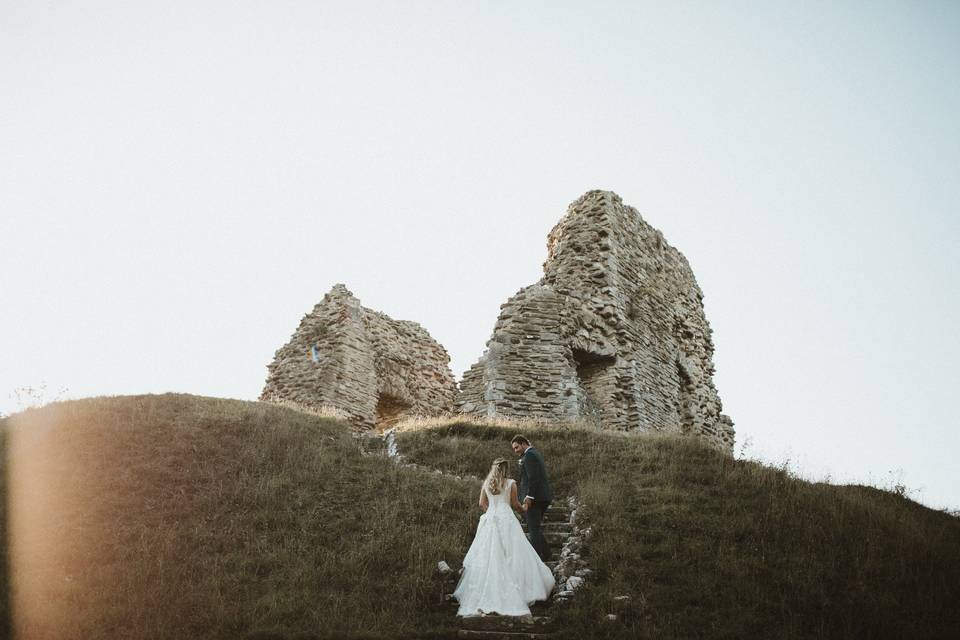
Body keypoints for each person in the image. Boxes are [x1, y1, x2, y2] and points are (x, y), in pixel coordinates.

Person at [452, 458, 556, 617]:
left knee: (487, 556)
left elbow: (481, 503)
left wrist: (491, 512)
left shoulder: (487, 483)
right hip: (507, 519)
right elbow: (515, 504)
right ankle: (520, 590)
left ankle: (482, 593)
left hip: (490, 520)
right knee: (513, 554)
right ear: (506, 469)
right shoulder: (511, 483)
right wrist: (524, 508)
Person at [511, 434, 553, 562]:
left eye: (517, 447)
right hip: (542, 497)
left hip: (535, 498)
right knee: (534, 527)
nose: (515, 451)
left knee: (533, 529)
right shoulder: (535, 453)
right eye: (514, 449)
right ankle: (547, 554)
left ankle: (536, 560)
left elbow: (533, 478)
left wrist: (529, 496)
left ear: (524, 443)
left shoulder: (529, 455)